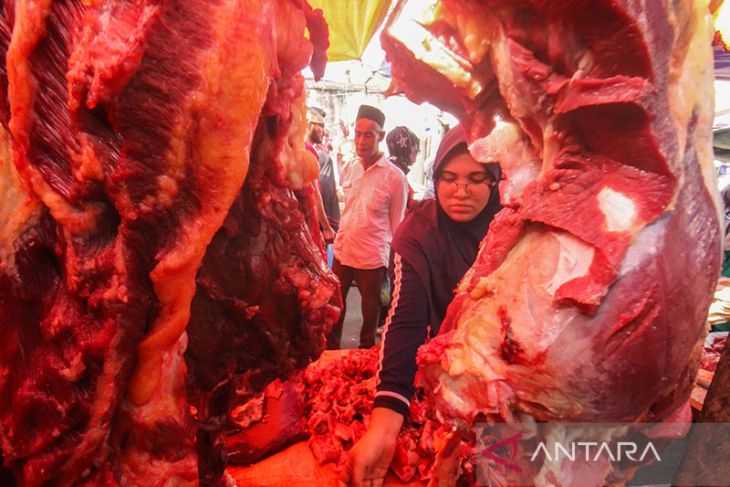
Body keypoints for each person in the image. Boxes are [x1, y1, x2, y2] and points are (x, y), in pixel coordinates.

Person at [338, 125, 502, 486]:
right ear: (436, 176)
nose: (460, 191)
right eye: (449, 177)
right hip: (445, 368)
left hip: (504, 379)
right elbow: (405, 322)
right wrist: (384, 425)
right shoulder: (418, 231)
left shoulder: (511, 227)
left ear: (495, 182)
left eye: (477, 178)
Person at [327, 105, 409, 350]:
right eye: (358, 133)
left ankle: (365, 357)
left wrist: (396, 266)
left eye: (369, 135)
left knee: (370, 312)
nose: (361, 141)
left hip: (372, 257)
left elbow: (398, 226)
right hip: (343, 252)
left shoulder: (395, 178)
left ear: (381, 137)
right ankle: (329, 354)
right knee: (334, 309)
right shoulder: (351, 166)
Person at [305, 108, 336, 244]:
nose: (323, 131)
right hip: (309, 221)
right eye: (321, 126)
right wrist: (326, 227)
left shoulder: (300, 148)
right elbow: (314, 194)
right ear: (309, 125)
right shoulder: (309, 150)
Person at [386, 126, 420, 209]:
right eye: (415, 152)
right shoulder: (396, 173)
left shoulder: (388, 166)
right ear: (406, 150)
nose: (416, 157)